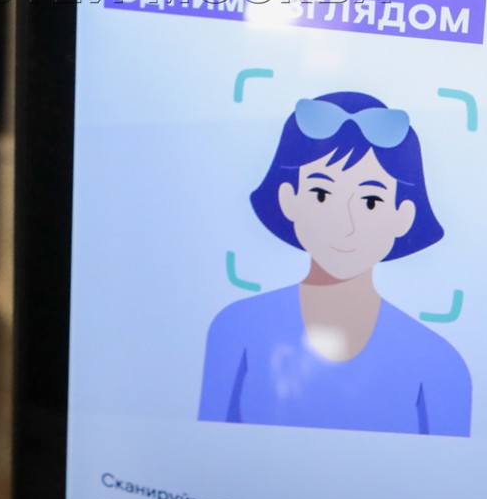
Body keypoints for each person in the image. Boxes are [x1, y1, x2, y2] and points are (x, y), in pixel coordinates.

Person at [198, 91, 470, 435]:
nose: (345, 224)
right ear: (288, 198)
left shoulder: (440, 364)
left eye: (371, 201)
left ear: (404, 215)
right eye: (321, 194)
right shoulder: (236, 330)